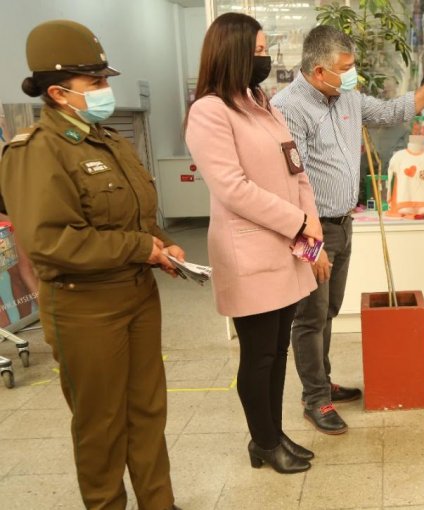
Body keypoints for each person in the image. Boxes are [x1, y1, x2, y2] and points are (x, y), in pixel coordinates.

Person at [0, 20, 182, 509]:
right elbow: (50, 243)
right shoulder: (35, 152)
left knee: (147, 411)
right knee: (100, 423)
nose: (106, 90)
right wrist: (138, 248)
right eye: (95, 82)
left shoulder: (110, 141)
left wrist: (162, 243)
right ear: (59, 92)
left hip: (138, 296)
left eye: (105, 80)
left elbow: (137, 213)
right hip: (86, 308)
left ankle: (158, 503)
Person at [272, 25, 424, 434]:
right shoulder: (286, 108)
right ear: (320, 71)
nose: (353, 74)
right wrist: (308, 244)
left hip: (343, 224)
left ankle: (323, 380)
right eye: (347, 67)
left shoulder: (347, 96)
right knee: (309, 316)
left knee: (329, 310)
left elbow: (392, 112)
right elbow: (287, 184)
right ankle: (315, 400)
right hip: (312, 231)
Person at [185, 12, 322, 474]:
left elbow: (295, 171)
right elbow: (233, 188)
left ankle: (274, 432)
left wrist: (312, 236)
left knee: (277, 350)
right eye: (259, 51)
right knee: (259, 355)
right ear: (234, 52)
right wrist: (298, 222)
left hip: (287, 250)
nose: (265, 58)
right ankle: (263, 442)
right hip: (250, 252)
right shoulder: (209, 111)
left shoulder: (263, 104)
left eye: (266, 50)